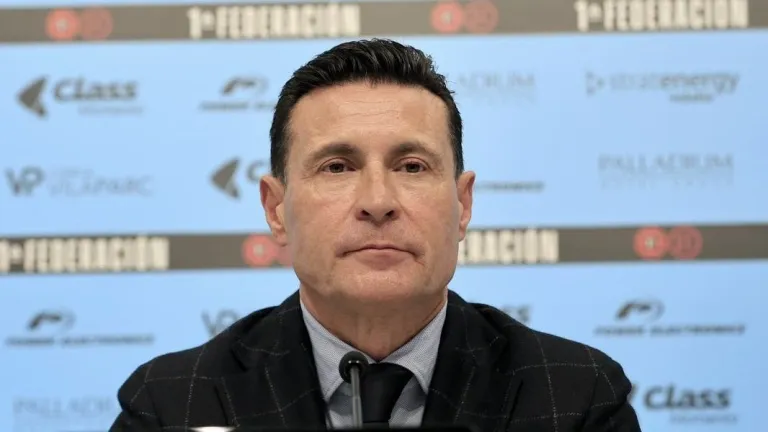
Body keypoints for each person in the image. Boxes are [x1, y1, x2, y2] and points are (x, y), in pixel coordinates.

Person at [109, 39, 641, 432]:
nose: (378, 201)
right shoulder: (172, 404)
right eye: (337, 167)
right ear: (276, 209)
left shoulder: (575, 398)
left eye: (411, 167)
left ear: (462, 206)